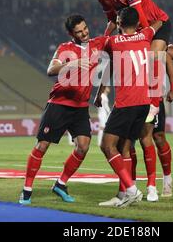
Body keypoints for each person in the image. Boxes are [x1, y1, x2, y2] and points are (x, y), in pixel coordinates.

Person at [19, 14, 108, 205]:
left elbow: (113, 32)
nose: (84, 33)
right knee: (42, 146)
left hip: (80, 107)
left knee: (83, 146)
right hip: (59, 105)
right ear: (71, 33)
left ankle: (60, 184)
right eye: (79, 31)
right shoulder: (65, 48)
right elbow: (51, 70)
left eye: (85, 28)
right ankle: (26, 189)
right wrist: (72, 64)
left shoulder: (96, 44)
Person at [95, 7, 163, 207]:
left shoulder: (113, 41)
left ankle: (132, 190)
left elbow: (99, 46)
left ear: (118, 21)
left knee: (107, 145)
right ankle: (124, 194)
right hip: (144, 103)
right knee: (125, 147)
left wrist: (108, 29)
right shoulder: (145, 35)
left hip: (127, 103)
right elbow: (160, 21)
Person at [92, 0, 171, 122]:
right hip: (133, 30)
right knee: (115, 59)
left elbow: (141, 17)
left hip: (156, 24)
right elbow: (113, 21)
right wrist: (105, 41)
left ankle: (154, 105)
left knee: (151, 56)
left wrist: (140, 40)